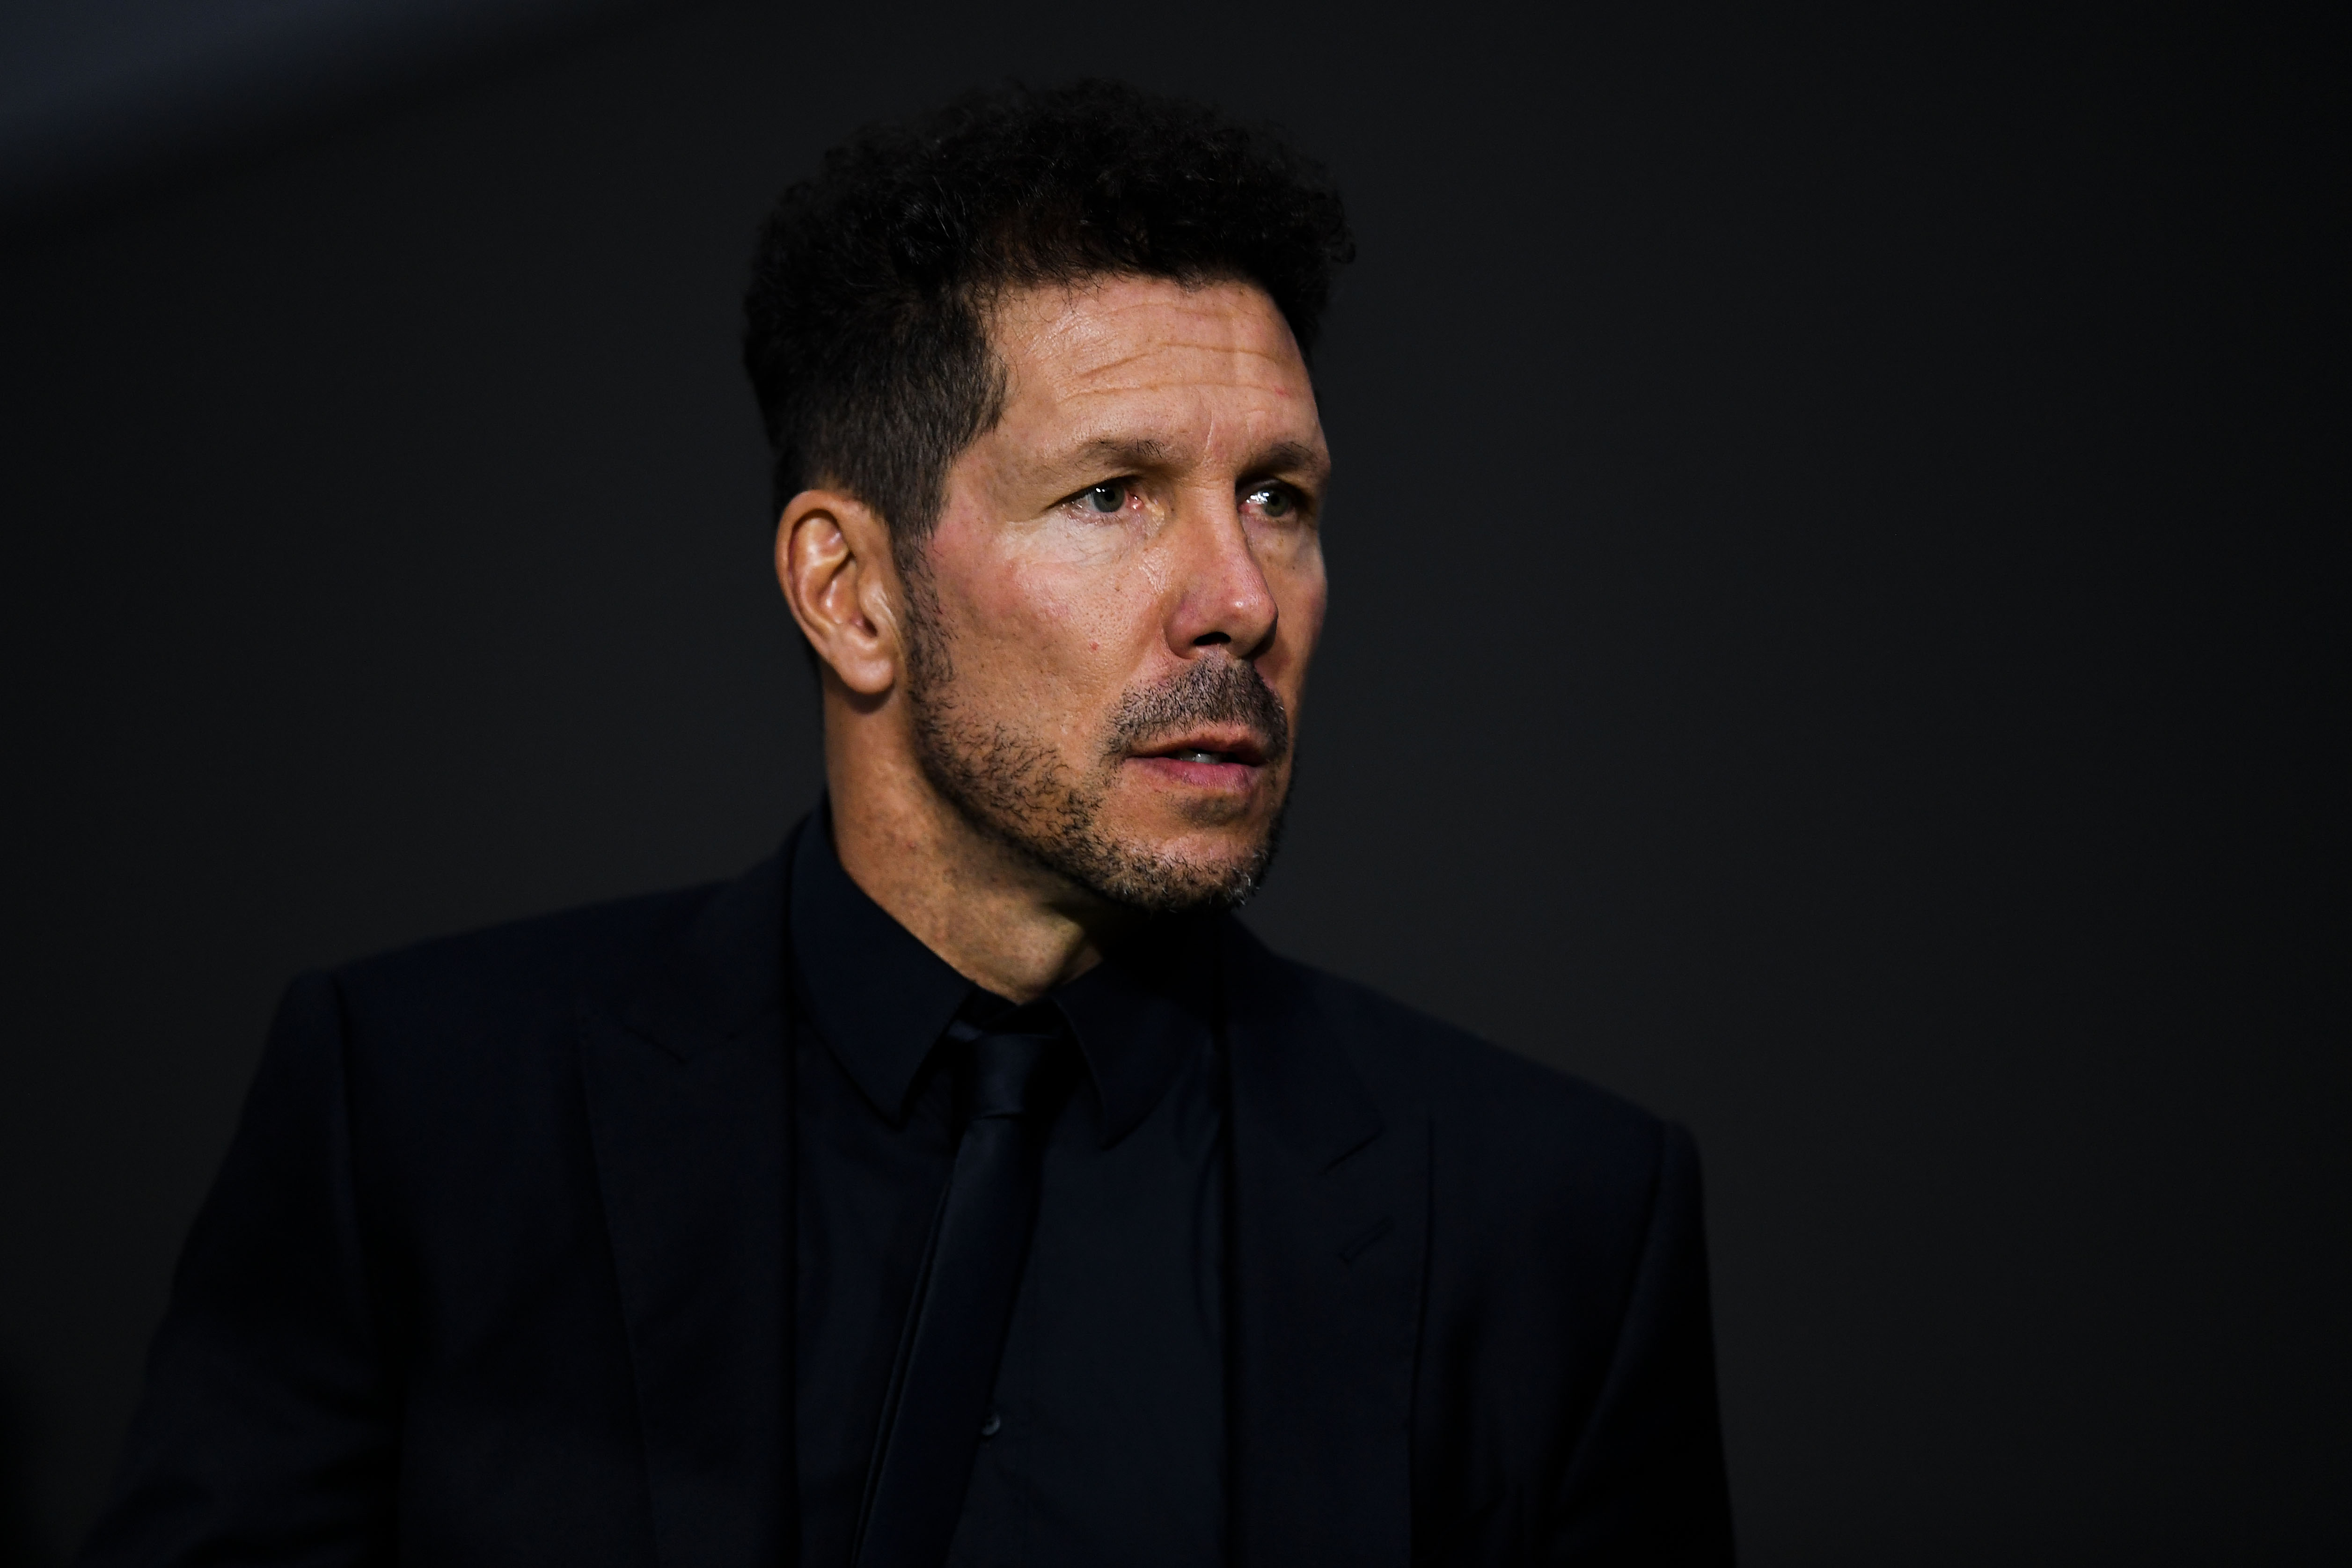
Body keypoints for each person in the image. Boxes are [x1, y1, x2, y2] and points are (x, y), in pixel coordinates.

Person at [81, 81, 1733, 1567]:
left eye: (1278, 500)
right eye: (1112, 495)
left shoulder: (1558, 1222)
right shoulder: (420, 1118)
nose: (1238, 599)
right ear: (849, 590)